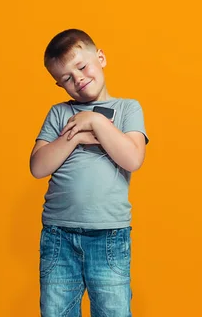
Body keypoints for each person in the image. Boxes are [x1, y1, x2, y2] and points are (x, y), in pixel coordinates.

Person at [30, 29, 149, 317]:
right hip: (59, 235)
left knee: (113, 312)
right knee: (57, 311)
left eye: (81, 67)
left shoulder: (126, 109)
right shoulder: (59, 114)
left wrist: (95, 121)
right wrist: (76, 136)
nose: (78, 79)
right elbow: (38, 166)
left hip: (108, 235)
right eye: (67, 78)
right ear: (60, 85)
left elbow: (132, 158)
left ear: (101, 57)